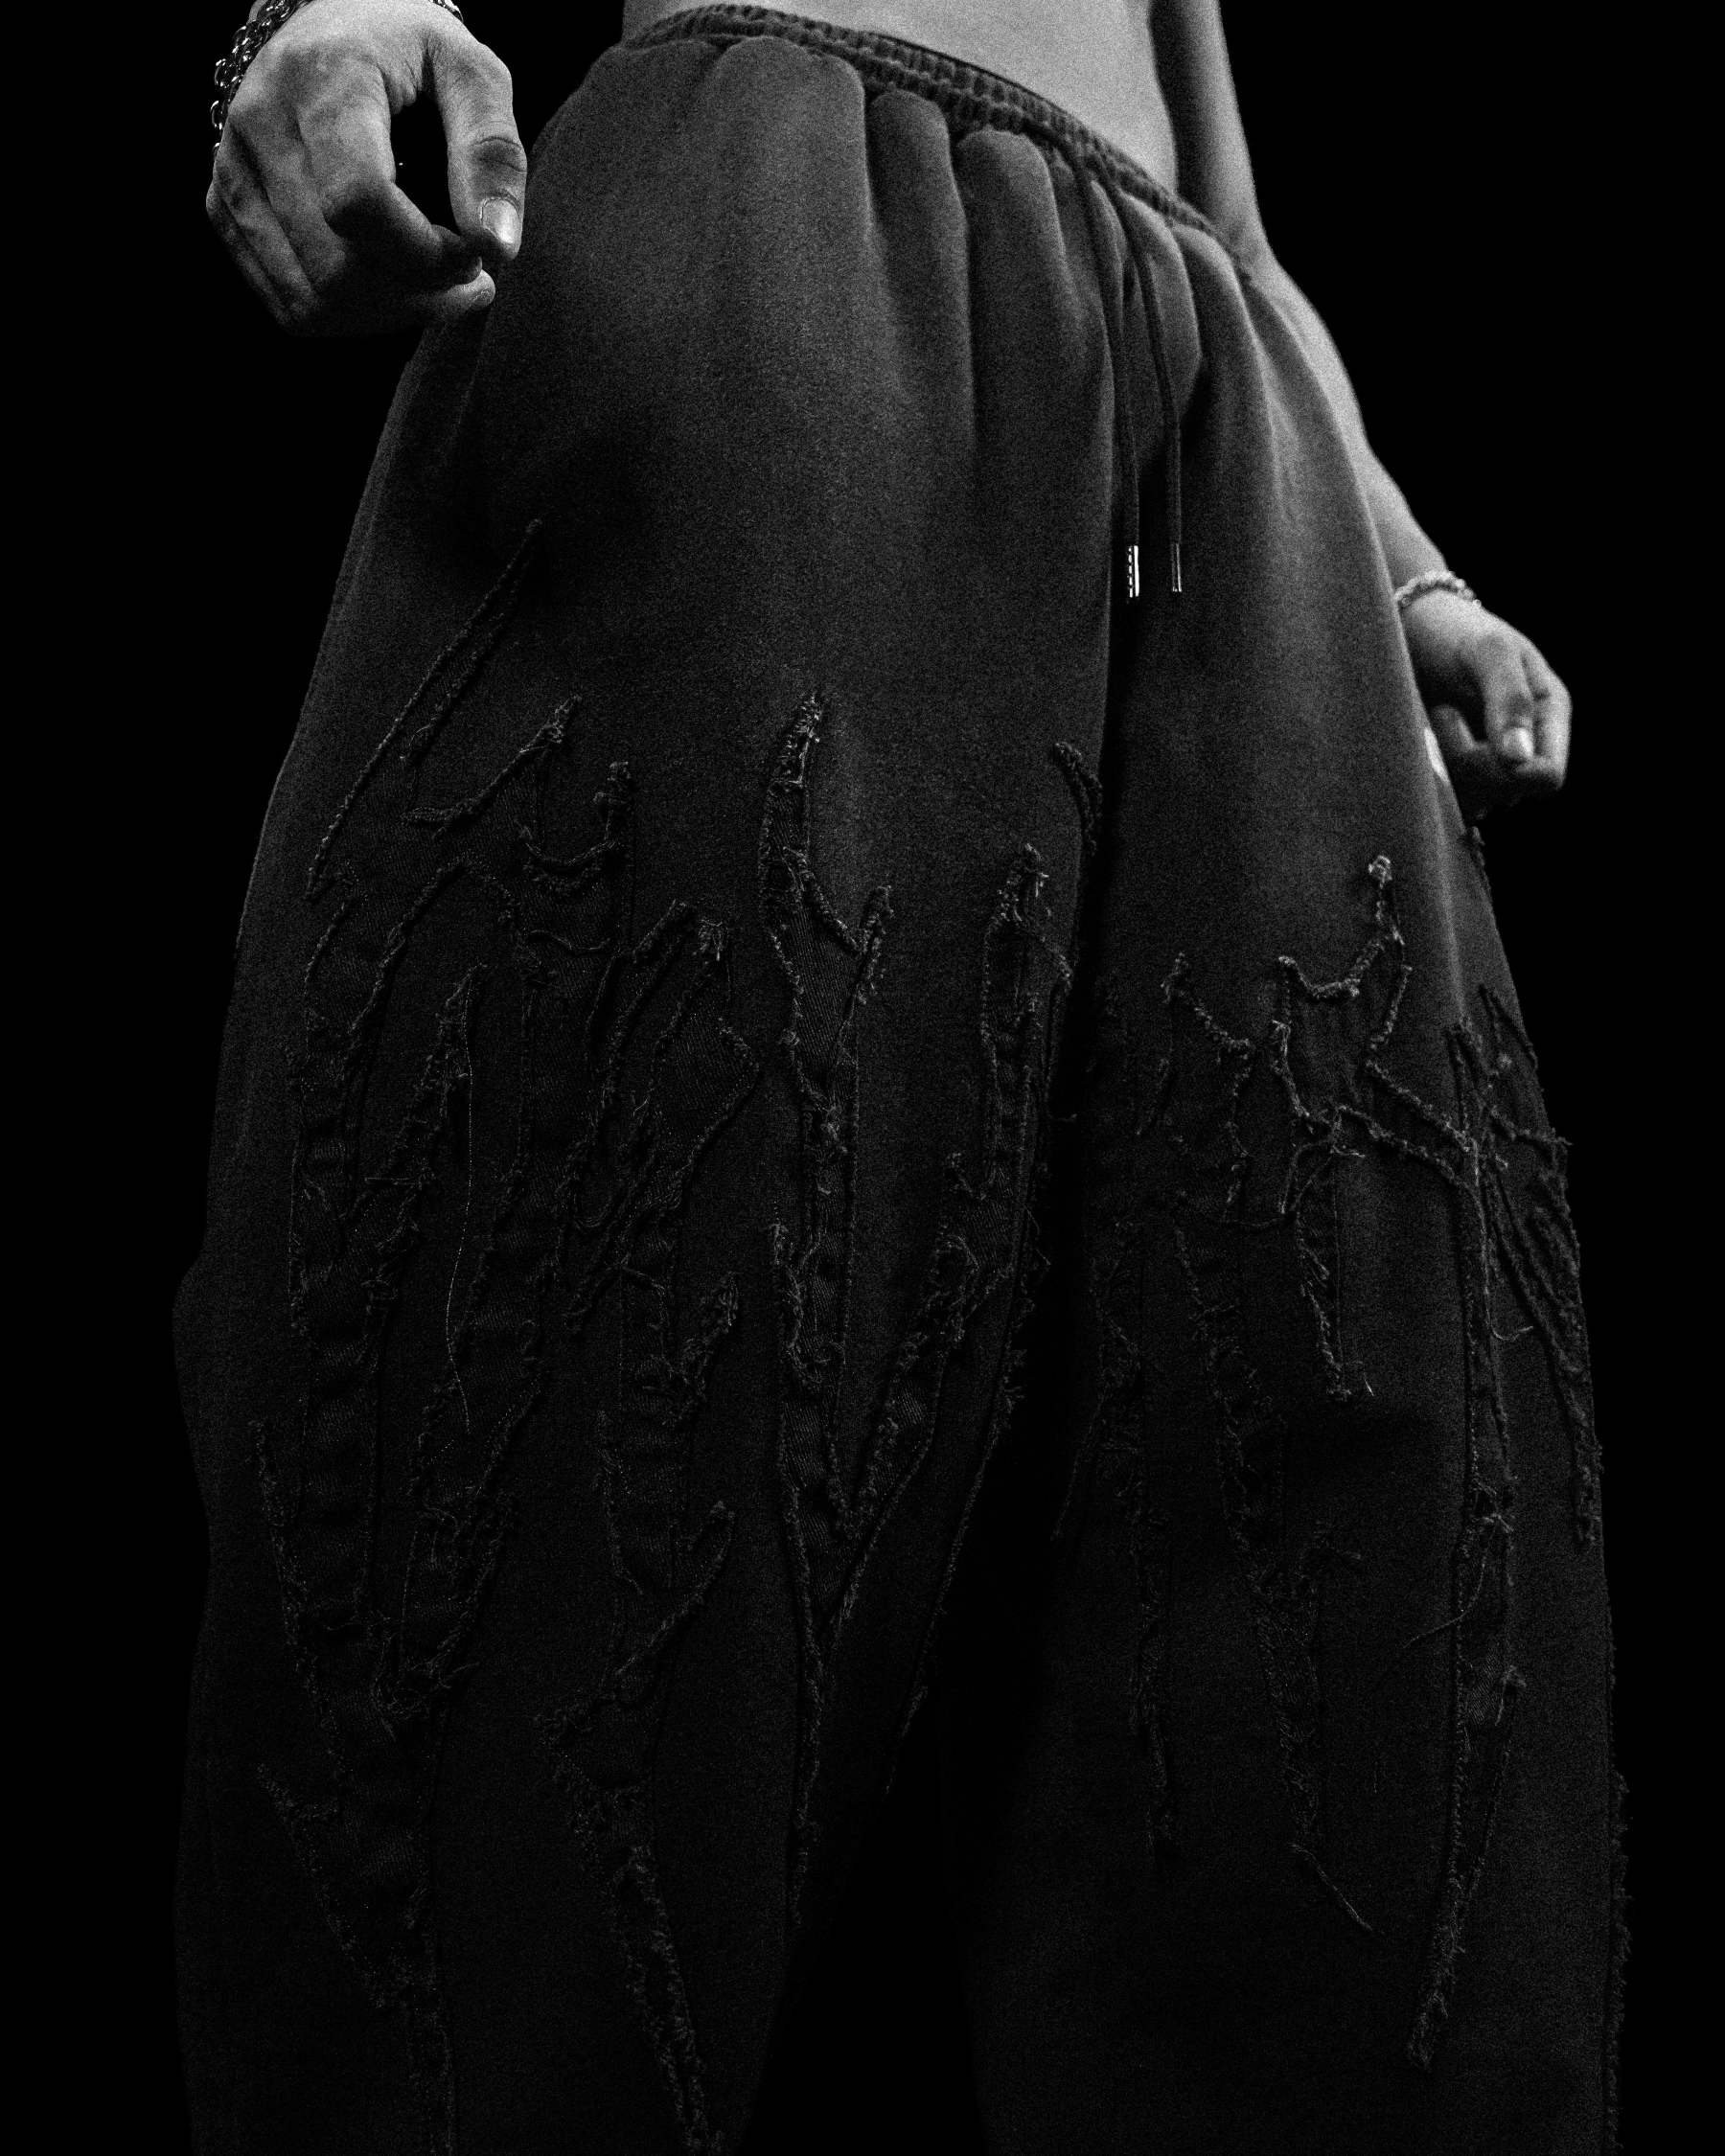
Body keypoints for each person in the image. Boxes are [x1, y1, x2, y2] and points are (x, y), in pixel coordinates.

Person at [182, 3, 1625, 2151]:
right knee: (599, 1429)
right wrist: (297, 20)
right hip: (790, 241)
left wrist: (1398, 563)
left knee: (1334, 1538)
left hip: (1221, 452)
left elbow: (1233, 212)